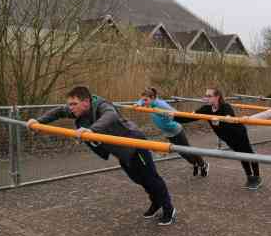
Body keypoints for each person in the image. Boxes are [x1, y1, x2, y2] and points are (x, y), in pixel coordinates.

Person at [26, 86, 176, 225]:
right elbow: (58, 111)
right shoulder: (78, 109)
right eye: (70, 104)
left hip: (134, 144)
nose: (70, 108)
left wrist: (91, 130)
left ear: (85, 102)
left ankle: (169, 209)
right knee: (138, 179)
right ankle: (156, 202)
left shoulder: (102, 105)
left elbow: (110, 116)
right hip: (119, 150)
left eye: (74, 104)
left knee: (151, 178)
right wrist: (38, 121)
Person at [174, 87, 263, 190]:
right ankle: (249, 177)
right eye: (205, 95)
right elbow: (189, 117)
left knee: (248, 154)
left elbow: (230, 118)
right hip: (227, 137)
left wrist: (224, 119)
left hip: (238, 134)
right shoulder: (206, 109)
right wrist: (173, 117)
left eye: (209, 96)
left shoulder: (225, 107)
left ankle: (256, 177)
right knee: (241, 156)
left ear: (217, 97)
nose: (206, 98)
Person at [137, 88, 209, 177]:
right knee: (181, 152)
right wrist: (138, 104)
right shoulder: (150, 102)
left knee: (187, 150)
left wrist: (166, 113)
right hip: (168, 132)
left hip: (176, 130)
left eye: (145, 100)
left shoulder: (160, 104)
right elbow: (141, 100)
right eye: (143, 100)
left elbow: (175, 113)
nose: (144, 102)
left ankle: (203, 164)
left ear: (152, 98)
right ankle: (195, 164)